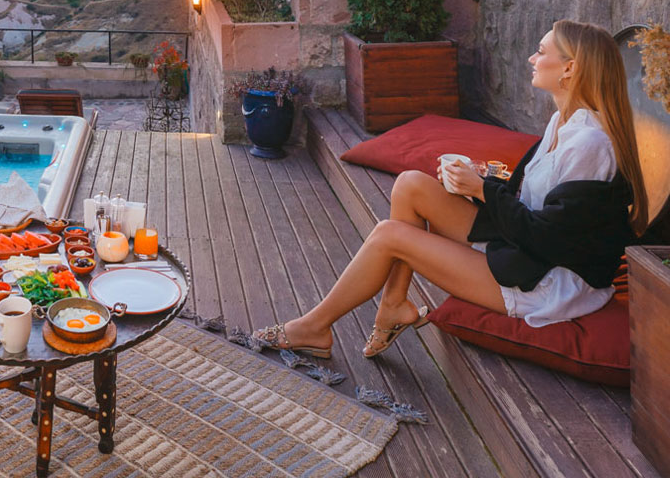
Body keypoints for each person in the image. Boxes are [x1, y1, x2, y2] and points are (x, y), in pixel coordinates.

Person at [253, 19, 649, 359]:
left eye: (541, 51)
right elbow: (534, 204)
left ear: (570, 68)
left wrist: (483, 191)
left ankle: (314, 327)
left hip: (548, 281)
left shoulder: (589, 144)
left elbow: (553, 240)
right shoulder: (561, 122)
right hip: (526, 248)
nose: (532, 58)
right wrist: (480, 180)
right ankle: (393, 305)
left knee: (390, 236)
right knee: (410, 185)